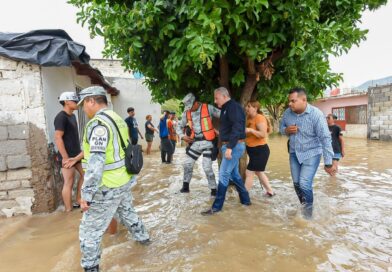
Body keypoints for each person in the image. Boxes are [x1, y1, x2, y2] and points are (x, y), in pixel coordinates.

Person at [77, 86, 150, 272]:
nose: (83, 109)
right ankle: (145, 243)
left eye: (84, 104)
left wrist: (86, 193)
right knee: (127, 213)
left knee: (89, 232)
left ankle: (91, 268)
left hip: (106, 185)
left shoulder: (98, 125)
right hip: (123, 180)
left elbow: (96, 162)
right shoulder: (117, 118)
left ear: (92, 101)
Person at [280, 87, 336, 219]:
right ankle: (305, 205)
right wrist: (286, 130)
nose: (290, 104)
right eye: (289, 101)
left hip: (312, 153)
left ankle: (307, 217)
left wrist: (328, 163)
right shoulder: (287, 114)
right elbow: (280, 129)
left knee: (304, 183)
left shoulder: (316, 115)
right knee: (296, 184)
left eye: (293, 101)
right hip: (294, 153)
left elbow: (325, 138)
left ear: (303, 100)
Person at [201, 87, 251, 215]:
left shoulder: (233, 107)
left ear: (224, 96)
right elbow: (230, 129)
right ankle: (246, 201)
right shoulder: (225, 108)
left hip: (233, 146)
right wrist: (219, 134)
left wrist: (229, 147)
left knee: (223, 174)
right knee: (234, 175)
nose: (215, 100)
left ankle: (216, 208)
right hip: (230, 145)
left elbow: (238, 127)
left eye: (216, 98)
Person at [176, 93, 220, 196]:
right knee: (187, 164)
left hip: (208, 143)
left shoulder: (208, 108)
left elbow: (223, 115)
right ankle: (185, 188)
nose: (189, 109)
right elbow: (178, 126)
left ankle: (214, 190)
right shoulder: (186, 113)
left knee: (207, 167)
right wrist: (182, 136)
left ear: (196, 103)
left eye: (190, 106)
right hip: (195, 143)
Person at [54, 91, 84, 212]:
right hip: (66, 155)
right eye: (75, 101)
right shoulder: (61, 117)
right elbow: (58, 137)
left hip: (77, 154)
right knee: (69, 182)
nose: (77, 103)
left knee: (85, 176)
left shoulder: (72, 116)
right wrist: (65, 158)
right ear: (66, 102)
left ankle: (78, 200)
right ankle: (68, 210)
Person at [244, 101, 274, 196]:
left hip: (260, 150)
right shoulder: (248, 118)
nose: (246, 108)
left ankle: (244, 196)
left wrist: (251, 130)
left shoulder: (259, 118)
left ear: (255, 108)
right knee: (258, 172)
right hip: (252, 150)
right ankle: (270, 192)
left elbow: (262, 134)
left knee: (249, 172)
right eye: (246, 106)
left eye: (249, 106)